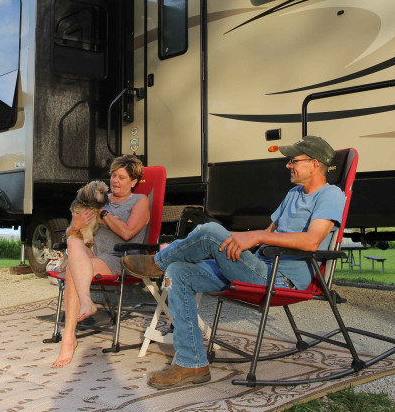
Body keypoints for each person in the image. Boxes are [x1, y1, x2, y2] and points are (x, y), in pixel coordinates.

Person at [122, 136, 345, 389]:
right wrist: (238, 239)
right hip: (259, 266)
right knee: (179, 270)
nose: (288, 165)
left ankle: (158, 262)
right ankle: (192, 362)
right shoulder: (294, 193)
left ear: (315, 164)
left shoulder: (331, 195)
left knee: (208, 230)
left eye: (294, 160)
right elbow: (267, 233)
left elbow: (312, 241)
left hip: (281, 279)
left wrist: (255, 236)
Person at [51, 154, 151, 367]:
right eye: (113, 176)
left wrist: (103, 213)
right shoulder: (98, 198)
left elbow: (127, 232)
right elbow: (71, 233)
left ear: (133, 182)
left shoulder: (139, 201)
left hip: (118, 257)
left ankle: (69, 339)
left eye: (122, 178)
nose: (115, 181)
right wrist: (75, 225)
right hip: (90, 253)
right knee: (74, 242)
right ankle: (86, 302)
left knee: (71, 271)